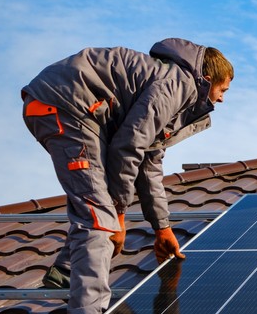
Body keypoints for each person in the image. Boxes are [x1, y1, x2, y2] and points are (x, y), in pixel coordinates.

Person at [21, 38, 233, 313]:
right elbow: (129, 145)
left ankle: (66, 272)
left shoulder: (174, 91)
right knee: (101, 218)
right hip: (69, 105)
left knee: (96, 200)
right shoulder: (177, 85)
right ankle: (89, 308)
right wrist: (120, 215)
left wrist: (162, 227)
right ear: (207, 79)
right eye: (222, 89)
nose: (222, 98)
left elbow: (148, 161)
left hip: (74, 109)